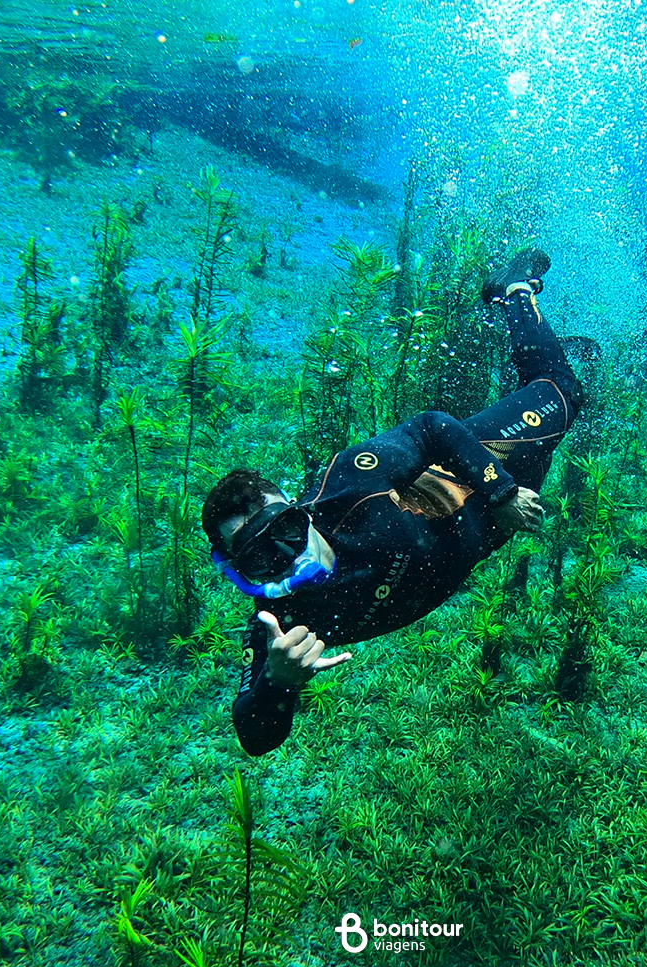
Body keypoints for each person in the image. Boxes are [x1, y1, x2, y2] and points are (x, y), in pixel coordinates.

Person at [201, 249, 585, 755]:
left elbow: (433, 427)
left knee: (561, 391)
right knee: (552, 408)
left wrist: (501, 491)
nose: (288, 559)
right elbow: (254, 736)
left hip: (483, 473)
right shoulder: (282, 627)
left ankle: (512, 291)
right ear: (239, 571)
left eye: (288, 531)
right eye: (260, 557)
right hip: (488, 532)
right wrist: (278, 681)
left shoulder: (347, 490)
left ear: (299, 510)